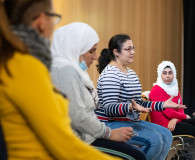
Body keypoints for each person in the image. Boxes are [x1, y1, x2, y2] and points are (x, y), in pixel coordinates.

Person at [0, 0, 120, 159]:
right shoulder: (25, 66)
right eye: (55, 18)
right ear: (41, 22)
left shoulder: (12, 62)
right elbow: (63, 144)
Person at [50, 22, 146, 160]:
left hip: (89, 134)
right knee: (136, 156)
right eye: (91, 51)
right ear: (76, 49)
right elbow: (77, 115)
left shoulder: (75, 70)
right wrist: (109, 133)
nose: (95, 56)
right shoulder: (64, 71)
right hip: (80, 140)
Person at [96, 34, 186, 160]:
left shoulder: (131, 74)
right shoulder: (110, 74)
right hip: (110, 123)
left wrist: (163, 105)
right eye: (128, 49)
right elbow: (109, 109)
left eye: (133, 48)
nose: (133, 52)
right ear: (116, 52)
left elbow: (139, 103)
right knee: (155, 140)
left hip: (129, 121)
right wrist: (131, 107)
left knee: (166, 135)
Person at [149, 61, 195, 160]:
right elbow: (167, 111)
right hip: (165, 126)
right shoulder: (156, 89)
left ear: (174, 74)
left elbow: (180, 109)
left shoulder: (174, 89)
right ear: (160, 74)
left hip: (175, 121)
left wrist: (175, 119)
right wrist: (184, 117)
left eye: (170, 72)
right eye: (164, 73)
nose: (168, 76)